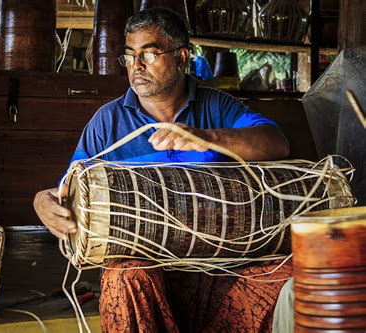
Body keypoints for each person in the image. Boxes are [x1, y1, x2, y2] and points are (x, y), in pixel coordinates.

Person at [34, 8, 291, 332]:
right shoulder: (107, 121)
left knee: (300, 275)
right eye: (129, 56)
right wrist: (42, 202)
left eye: (149, 54)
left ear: (181, 57)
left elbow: (276, 143)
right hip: (147, 267)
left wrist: (205, 137)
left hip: (220, 265)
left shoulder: (217, 106)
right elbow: (69, 188)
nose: (136, 66)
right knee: (125, 276)